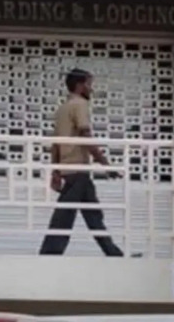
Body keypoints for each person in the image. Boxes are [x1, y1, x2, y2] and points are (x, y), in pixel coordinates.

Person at [39, 68, 124, 257]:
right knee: (65, 217)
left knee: (92, 216)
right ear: (79, 85)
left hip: (71, 170)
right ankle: (49, 255)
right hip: (77, 169)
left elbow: (56, 144)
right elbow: (86, 137)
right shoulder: (80, 105)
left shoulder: (62, 109)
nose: (91, 89)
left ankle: (113, 253)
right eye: (89, 84)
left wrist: (56, 171)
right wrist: (106, 164)